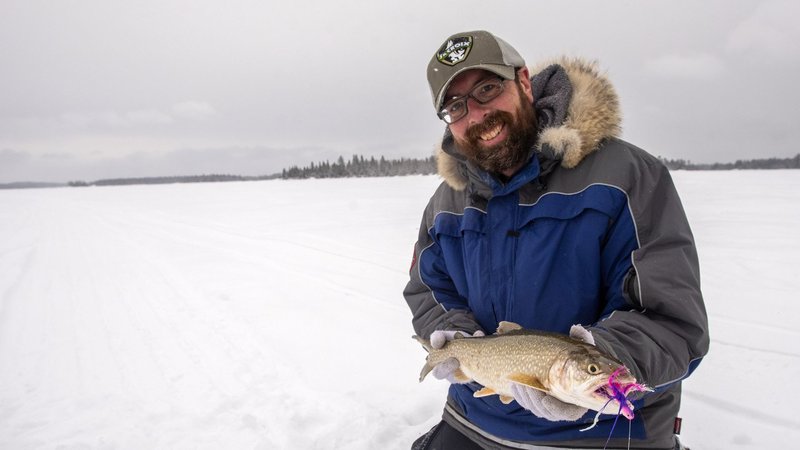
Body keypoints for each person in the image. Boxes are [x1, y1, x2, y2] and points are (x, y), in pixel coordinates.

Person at [404, 30, 709, 450]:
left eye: (488, 89)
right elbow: (427, 288)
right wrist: (449, 332)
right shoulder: (446, 205)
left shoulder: (627, 177)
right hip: (476, 417)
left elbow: (675, 324)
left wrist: (598, 359)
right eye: (456, 107)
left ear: (524, 82)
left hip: (602, 433)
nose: (476, 115)